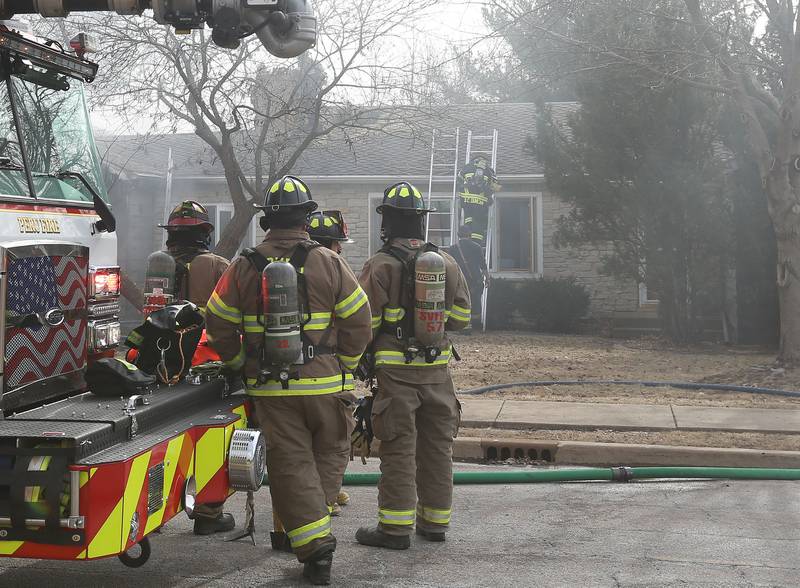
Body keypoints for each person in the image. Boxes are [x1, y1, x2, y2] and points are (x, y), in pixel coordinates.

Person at [205, 175, 372, 585]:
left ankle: (314, 544)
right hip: (327, 384)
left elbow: (216, 318)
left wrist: (241, 361)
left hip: (271, 388)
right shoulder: (330, 261)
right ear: (307, 219)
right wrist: (346, 363)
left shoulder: (243, 265)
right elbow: (359, 318)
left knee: (291, 463)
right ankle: (316, 532)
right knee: (332, 451)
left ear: (267, 219)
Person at [355, 181, 471, 550]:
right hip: (438, 373)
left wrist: (361, 357)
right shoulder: (447, 262)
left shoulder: (380, 264)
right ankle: (435, 524)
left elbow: (364, 324)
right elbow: (461, 319)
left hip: (396, 374)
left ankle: (394, 530)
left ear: (387, 222)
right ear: (421, 222)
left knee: (399, 448)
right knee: (438, 448)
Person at [158, 199, 234, 535]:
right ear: (206, 233)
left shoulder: (156, 266)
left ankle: (152, 512)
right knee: (211, 435)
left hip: (159, 364)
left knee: (158, 435)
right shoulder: (218, 265)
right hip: (208, 365)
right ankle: (208, 513)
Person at [307, 209, 355, 516]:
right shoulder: (336, 267)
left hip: (285, 371)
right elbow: (357, 318)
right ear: (334, 244)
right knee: (334, 440)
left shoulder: (289, 267)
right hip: (329, 369)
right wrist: (352, 360)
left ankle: (328, 492)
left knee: (300, 443)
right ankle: (325, 498)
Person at [447, 225, 489, 333]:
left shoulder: (452, 249)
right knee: (475, 302)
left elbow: (449, 266)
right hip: (476, 280)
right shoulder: (477, 247)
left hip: (459, 280)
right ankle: (475, 325)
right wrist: (487, 278)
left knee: (460, 302)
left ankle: (463, 326)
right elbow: (483, 265)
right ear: (469, 234)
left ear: (458, 235)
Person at [456, 155, 502, 244]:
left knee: (468, 221)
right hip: (481, 203)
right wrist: (486, 189)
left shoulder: (465, 168)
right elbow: (497, 187)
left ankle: (467, 242)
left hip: (467, 202)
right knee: (479, 224)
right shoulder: (489, 170)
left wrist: (466, 188)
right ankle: (476, 244)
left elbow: (459, 183)